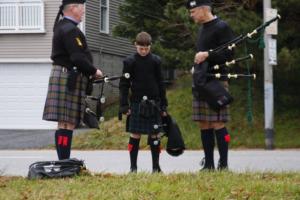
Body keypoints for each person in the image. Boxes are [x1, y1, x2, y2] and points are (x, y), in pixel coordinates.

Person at [43, 0, 103, 160]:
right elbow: (77, 57)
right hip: (67, 76)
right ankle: (64, 161)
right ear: (73, 8)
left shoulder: (62, 26)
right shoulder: (70, 30)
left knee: (64, 123)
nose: (83, 11)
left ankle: (63, 160)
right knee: (67, 122)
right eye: (82, 7)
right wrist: (94, 71)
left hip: (63, 75)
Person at [186, 0, 235, 170]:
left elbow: (229, 53)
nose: (191, 15)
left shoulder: (222, 27)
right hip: (201, 81)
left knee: (218, 122)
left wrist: (207, 54)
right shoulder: (202, 29)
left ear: (202, 9)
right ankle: (209, 164)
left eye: (192, 12)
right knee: (203, 123)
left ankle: (224, 164)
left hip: (217, 81)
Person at [119, 32, 168, 173]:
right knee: (135, 134)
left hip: (154, 103)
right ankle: (133, 168)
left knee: (155, 134)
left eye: (147, 48)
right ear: (136, 45)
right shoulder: (129, 62)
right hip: (136, 103)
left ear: (150, 46)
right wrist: (124, 104)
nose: (144, 51)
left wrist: (163, 105)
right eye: (141, 48)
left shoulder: (156, 61)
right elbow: (124, 84)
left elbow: (161, 83)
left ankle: (156, 168)